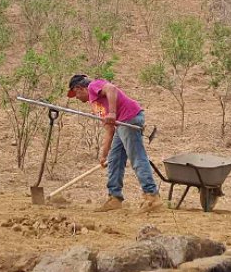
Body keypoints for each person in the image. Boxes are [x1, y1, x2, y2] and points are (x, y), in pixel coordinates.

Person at [67, 74, 162, 212]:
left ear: (79, 88)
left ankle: (152, 196)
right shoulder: (95, 104)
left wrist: (112, 113)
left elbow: (111, 89)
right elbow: (110, 129)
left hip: (129, 118)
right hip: (121, 124)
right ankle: (115, 198)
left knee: (137, 157)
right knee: (114, 159)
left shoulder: (93, 85)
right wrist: (104, 155)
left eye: (75, 93)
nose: (76, 97)